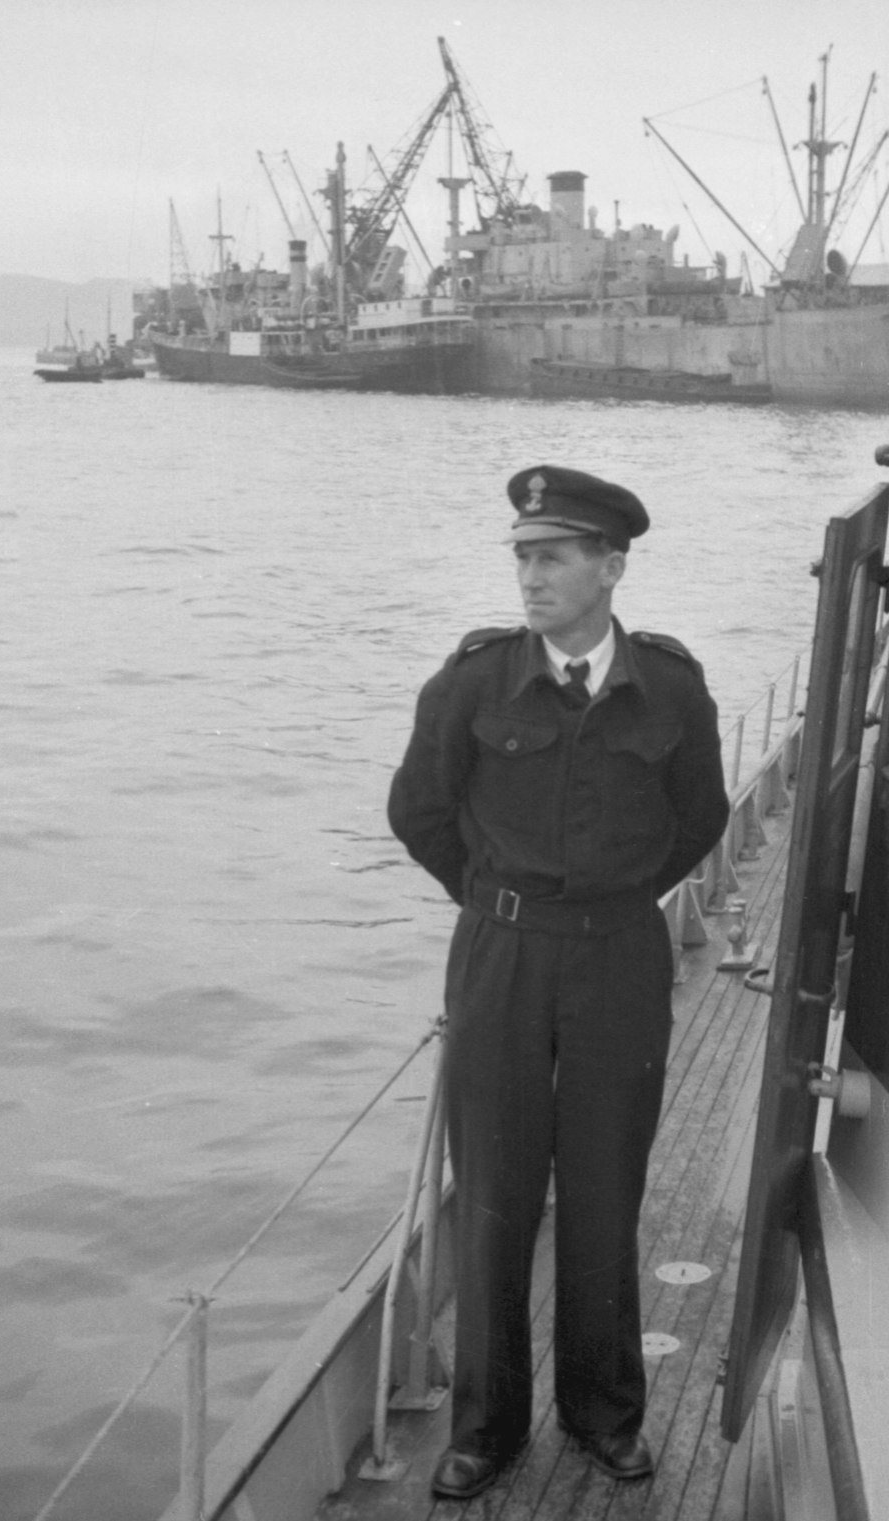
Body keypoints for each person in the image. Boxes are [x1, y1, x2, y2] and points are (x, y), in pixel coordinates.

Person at [387, 465, 730, 1500]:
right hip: (500, 955)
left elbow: (699, 819)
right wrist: (499, 901)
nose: (529, 577)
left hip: (619, 957)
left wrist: (613, 904)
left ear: (611, 568)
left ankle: (602, 1412)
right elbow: (419, 813)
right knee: (491, 1190)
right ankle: (485, 1430)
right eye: (522, 557)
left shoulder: (670, 686)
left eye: (552, 557)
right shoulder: (473, 682)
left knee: (601, 1188)